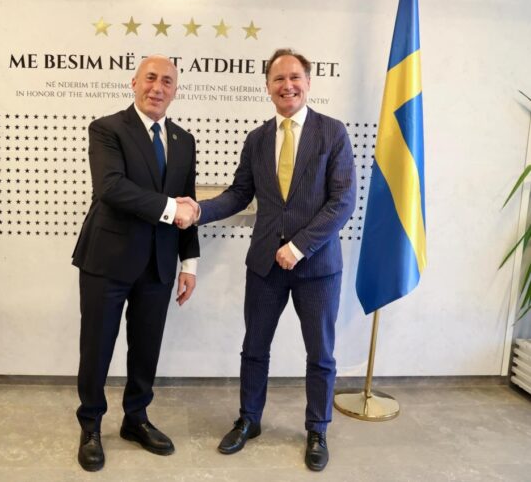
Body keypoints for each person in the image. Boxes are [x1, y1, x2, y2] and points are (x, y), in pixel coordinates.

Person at [178, 48, 356, 472]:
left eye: (295, 77)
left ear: (308, 83)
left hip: (317, 268)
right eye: (278, 79)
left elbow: (342, 202)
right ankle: (249, 420)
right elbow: (240, 194)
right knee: (254, 348)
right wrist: (200, 210)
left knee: (321, 354)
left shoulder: (332, 133)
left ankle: (317, 429)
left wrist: (299, 246)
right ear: (267, 87)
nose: (287, 85)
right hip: (264, 266)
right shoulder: (257, 139)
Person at [72, 54, 200, 472]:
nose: (157, 87)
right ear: (134, 82)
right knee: (97, 347)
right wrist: (171, 209)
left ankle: (136, 418)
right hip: (107, 261)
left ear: (175, 90)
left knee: (146, 348)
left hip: (159, 264)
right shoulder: (107, 129)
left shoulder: (184, 140)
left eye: (167, 81)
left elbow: (188, 204)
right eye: (150, 78)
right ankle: (91, 425)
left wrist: (189, 263)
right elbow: (111, 188)